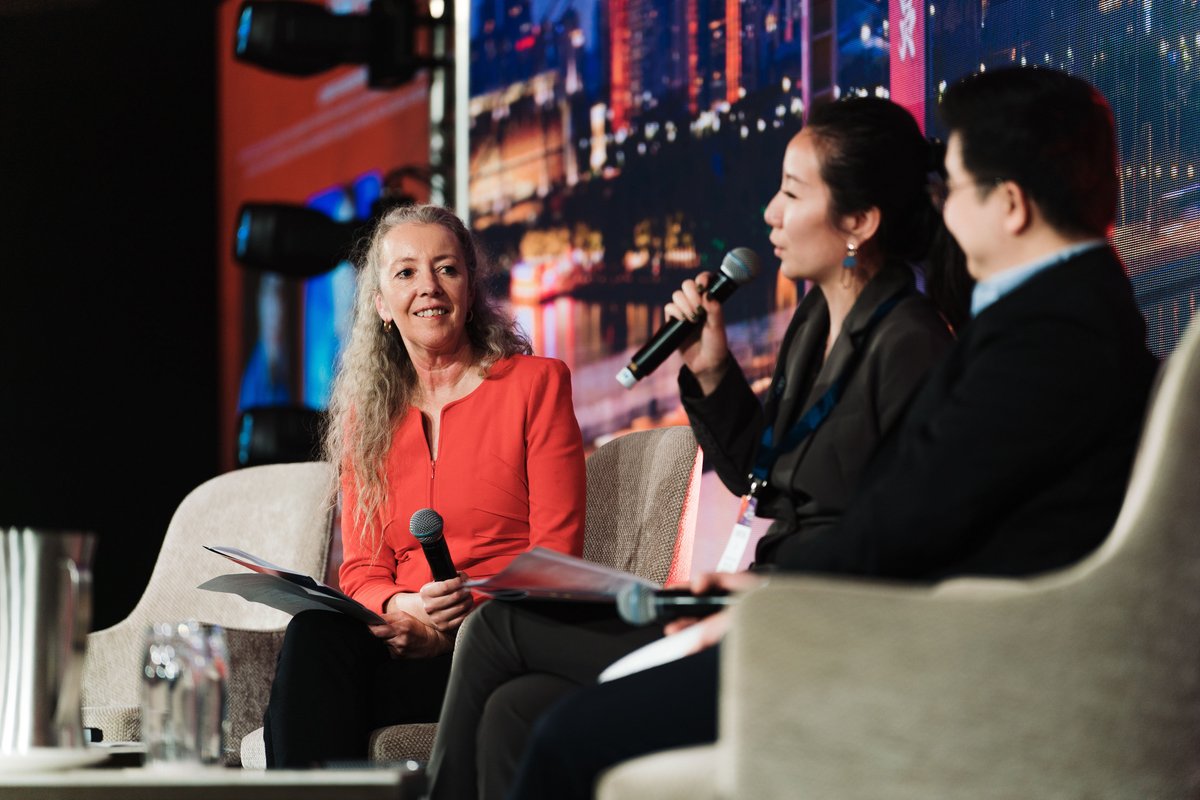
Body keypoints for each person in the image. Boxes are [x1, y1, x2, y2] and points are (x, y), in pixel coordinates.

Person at [503, 67, 1159, 800]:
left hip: (925, 648)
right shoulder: (1065, 317)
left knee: (567, 739)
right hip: (886, 619)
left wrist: (774, 601)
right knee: (537, 715)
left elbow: (917, 520)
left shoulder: (1043, 339)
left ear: (1009, 206)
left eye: (954, 187)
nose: (942, 210)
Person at [427, 97, 971, 800]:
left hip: (806, 625)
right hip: (755, 601)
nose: (770, 214)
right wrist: (711, 369)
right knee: (517, 709)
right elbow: (760, 476)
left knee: (496, 628)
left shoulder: (911, 344)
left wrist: (767, 594)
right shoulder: (814, 320)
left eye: (792, 194)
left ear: (859, 223)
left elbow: (905, 543)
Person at [262, 204, 587, 768]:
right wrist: (403, 606)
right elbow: (362, 570)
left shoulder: (536, 385)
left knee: (308, 709)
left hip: (499, 638)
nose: (429, 287)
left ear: (470, 289)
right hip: (403, 638)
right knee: (315, 634)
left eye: (447, 268)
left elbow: (556, 558)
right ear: (381, 305)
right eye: (406, 272)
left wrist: (453, 623)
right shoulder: (368, 418)